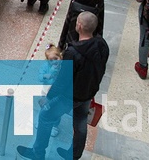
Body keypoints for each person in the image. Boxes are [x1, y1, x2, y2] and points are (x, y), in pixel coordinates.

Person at [17, 12, 109, 160]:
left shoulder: (73, 52)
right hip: (87, 93)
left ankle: (38, 153)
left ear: (78, 25)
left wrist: (48, 97)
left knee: (45, 117)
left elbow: (62, 80)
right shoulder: (102, 44)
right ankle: (73, 154)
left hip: (70, 96)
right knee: (80, 123)